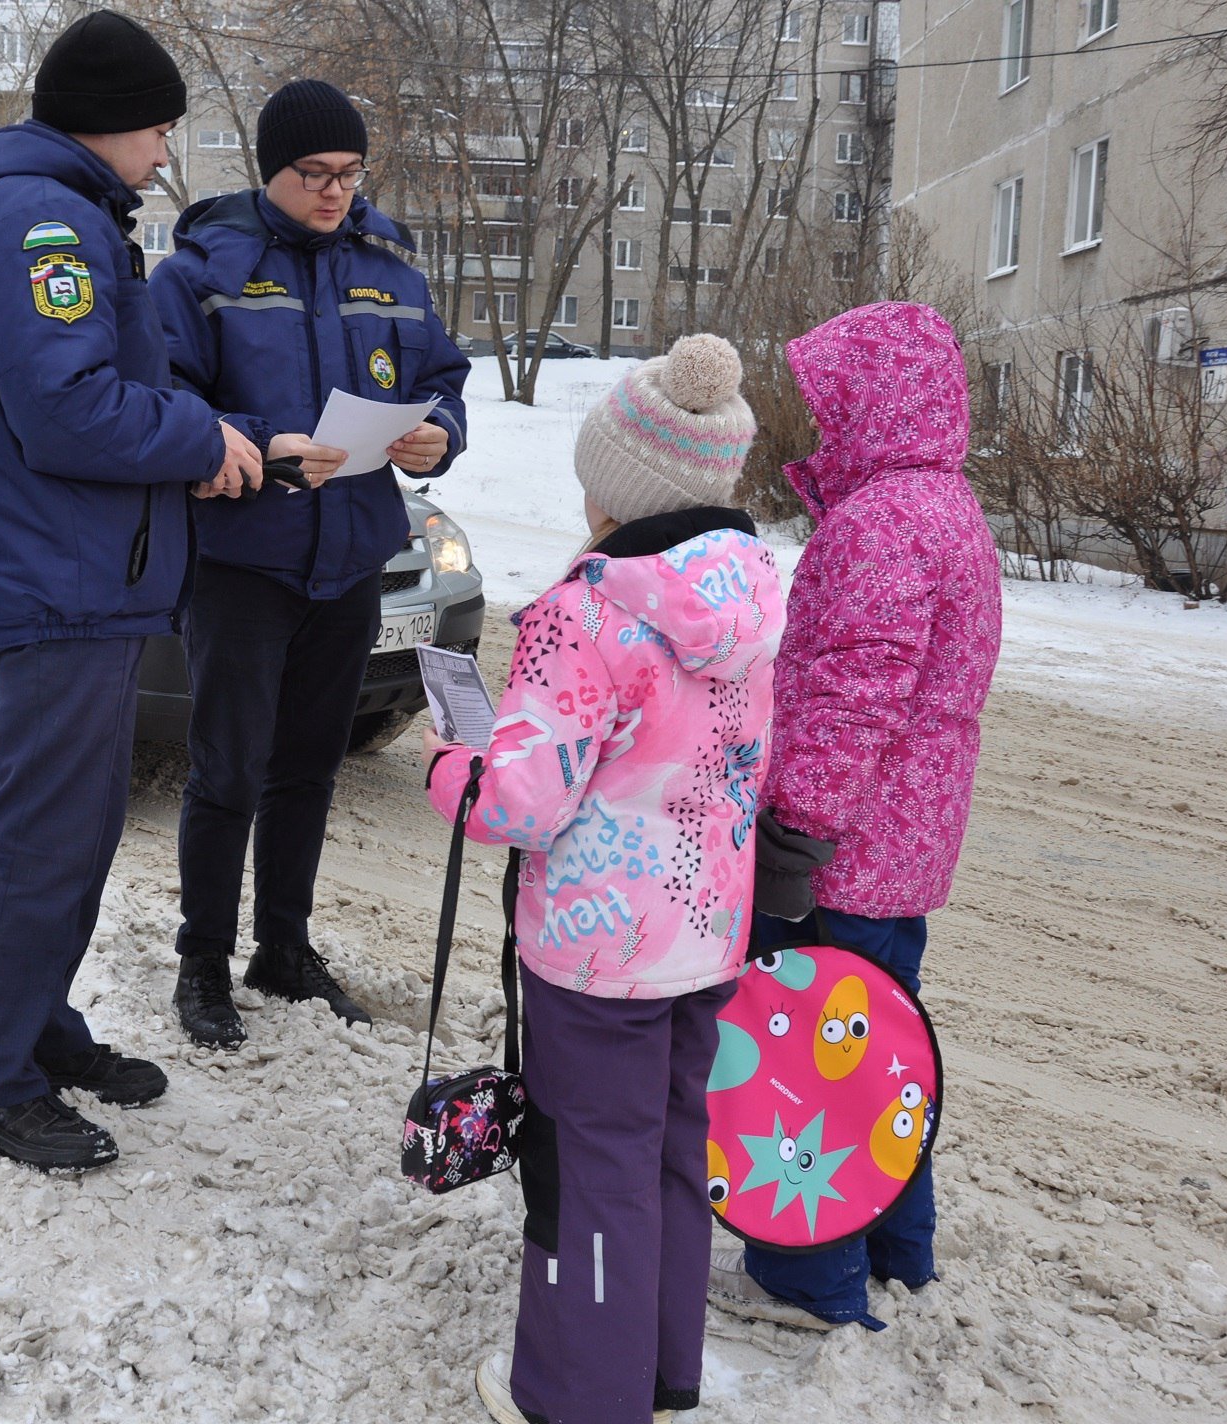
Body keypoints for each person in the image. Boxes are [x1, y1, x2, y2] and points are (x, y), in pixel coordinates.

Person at [419, 336, 784, 1424]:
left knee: (586, 1169)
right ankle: (660, 1370)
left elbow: (520, 801)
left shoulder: (585, 615)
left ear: (618, 486)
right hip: (701, 934)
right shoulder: (758, 602)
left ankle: (580, 1395)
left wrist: (452, 767)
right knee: (671, 1149)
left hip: (594, 948)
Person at [0, 10, 265, 1172]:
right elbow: (64, 406)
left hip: (89, 573)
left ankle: (38, 1025)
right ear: (109, 124)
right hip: (60, 574)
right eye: (160, 130)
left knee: (75, 834)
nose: (164, 153)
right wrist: (199, 435)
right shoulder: (39, 219)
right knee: (42, 837)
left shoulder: (63, 207)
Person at [150, 79, 470, 1050]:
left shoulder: (391, 269)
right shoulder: (202, 269)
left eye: (348, 173)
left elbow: (443, 379)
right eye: (313, 175)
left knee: (306, 769)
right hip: (243, 562)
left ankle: (280, 947)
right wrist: (261, 438)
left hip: (349, 562)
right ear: (269, 171)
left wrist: (436, 433)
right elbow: (163, 400)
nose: (334, 192)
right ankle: (202, 959)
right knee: (227, 770)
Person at [708, 301, 1003, 1329]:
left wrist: (794, 826)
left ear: (874, 403)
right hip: (902, 847)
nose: (818, 422)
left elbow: (850, 692)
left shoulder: (882, 523)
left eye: (832, 402)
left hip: (840, 846)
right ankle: (894, 1247)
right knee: (883, 1051)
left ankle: (805, 1279)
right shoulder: (946, 508)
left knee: (802, 1060)